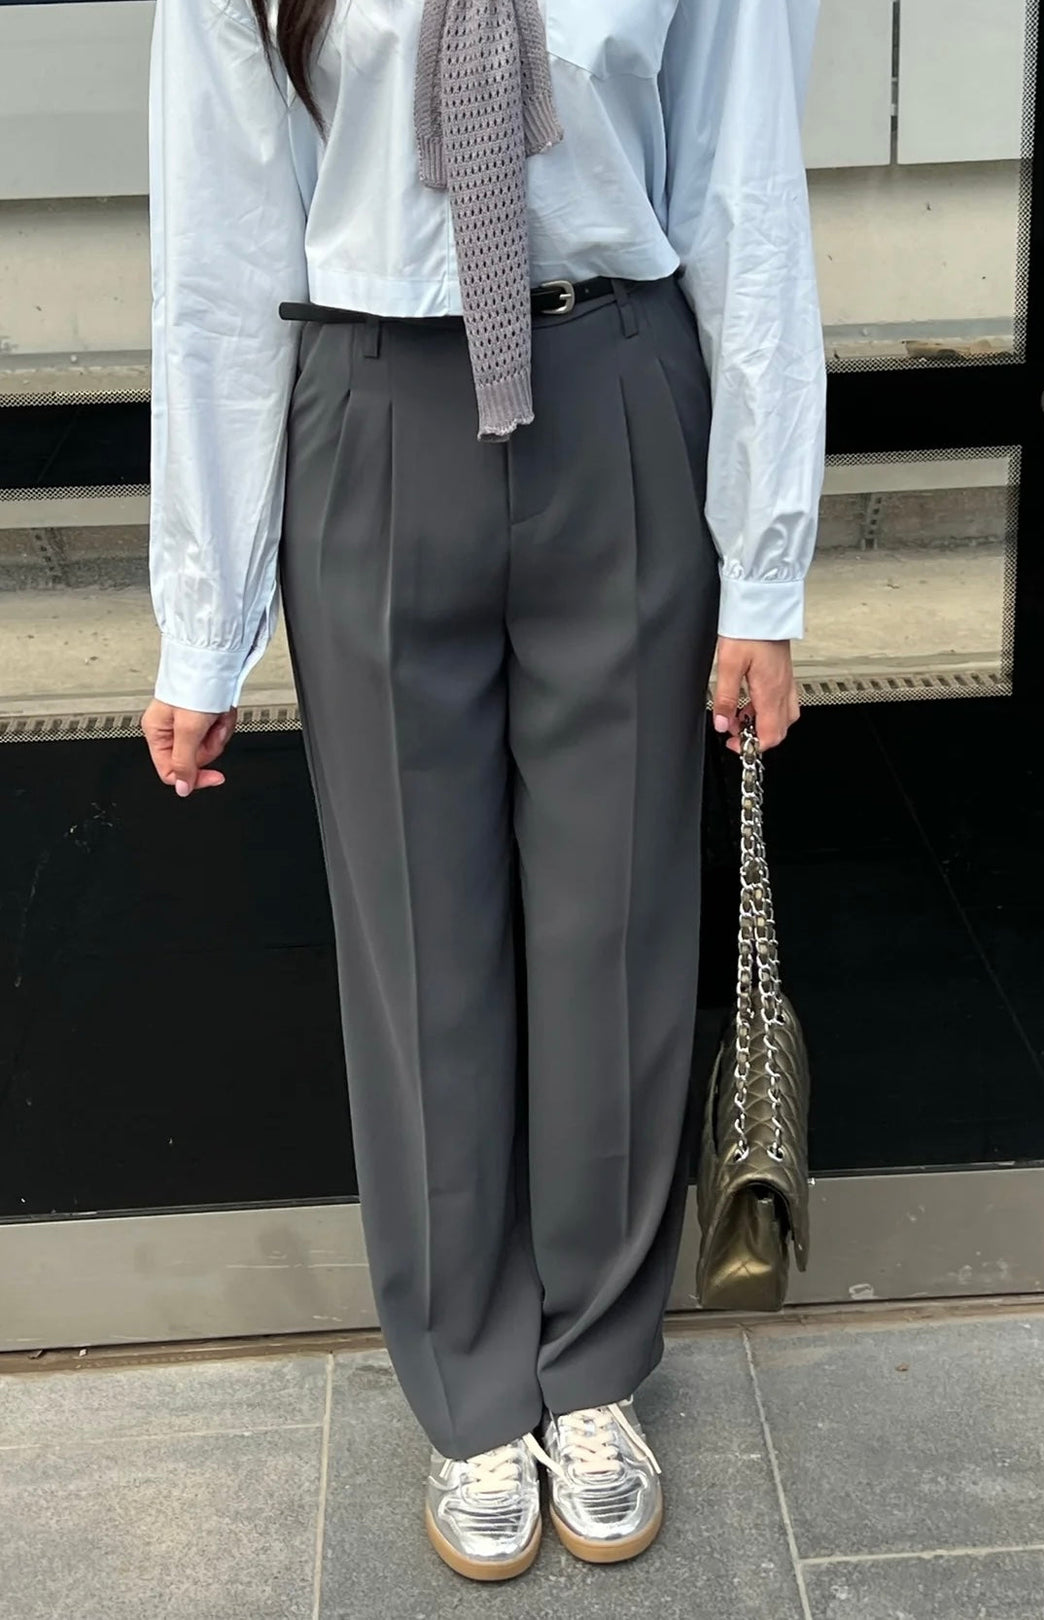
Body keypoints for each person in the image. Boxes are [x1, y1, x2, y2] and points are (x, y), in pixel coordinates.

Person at [140, 0, 826, 1584]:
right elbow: (220, 246)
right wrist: (203, 618)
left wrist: (764, 569)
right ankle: (467, 1383)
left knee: (615, 926)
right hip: (373, 402)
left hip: (617, 388)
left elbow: (744, 192)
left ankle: (593, 1370)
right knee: (418, 942)